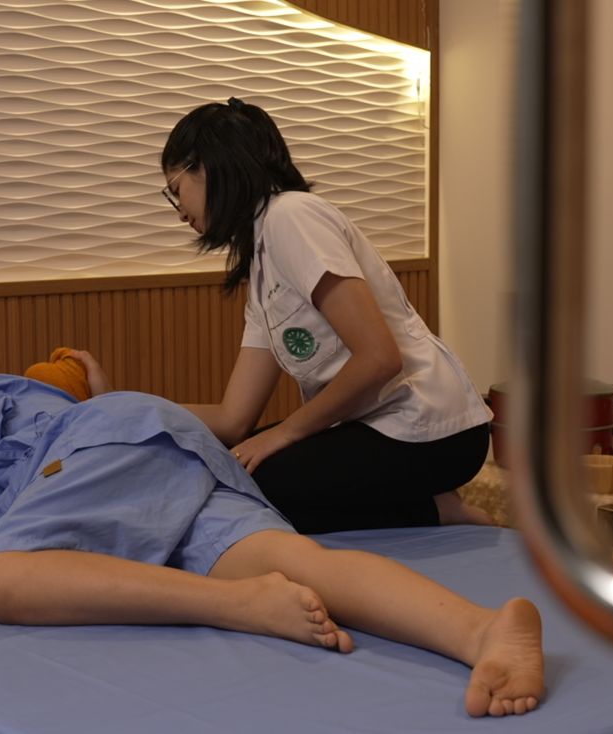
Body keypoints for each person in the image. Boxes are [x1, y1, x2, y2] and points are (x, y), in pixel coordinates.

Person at [0, 364, 544, 717]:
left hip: (101, 447)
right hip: (154, 462)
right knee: (300, 562)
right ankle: (482, 629)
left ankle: (236, 605)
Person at [160, 97, 495, 533]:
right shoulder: (262, 263)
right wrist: (127, 406)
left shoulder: (291, 218)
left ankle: (437, 511)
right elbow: (232, 419)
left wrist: (285, 434)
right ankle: (425, 503)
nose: (180, 209)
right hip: (375, 426)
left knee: (255, 486)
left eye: (176, 189)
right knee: (229, 466)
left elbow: (379, 358)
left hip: (431, 430)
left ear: (209, 168)